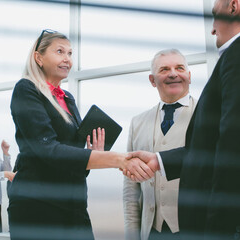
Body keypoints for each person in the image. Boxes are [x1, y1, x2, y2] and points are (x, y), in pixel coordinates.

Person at [126, 0, 240, 239]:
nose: (212, 28)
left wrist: (221, 230)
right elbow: (223, 144)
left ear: (233, 6)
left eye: (215, 15)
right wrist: (160, 160)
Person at [8, 29, 152, 240]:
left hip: (73, 204)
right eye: (59, 51)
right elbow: (48, 150)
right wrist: (116, 159)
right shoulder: (26, 89)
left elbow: (70, 162)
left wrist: (93, 153)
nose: (67, 59)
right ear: (38, 57)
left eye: (70, 53)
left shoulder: (68, 97)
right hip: (38, 205)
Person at [123, 49, 197, 240]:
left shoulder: (207, 117)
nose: (173, 73)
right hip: (152, 232)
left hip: (196, 229)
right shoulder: (137, 123)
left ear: (189, 76)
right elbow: (131, 191)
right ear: (152, 80)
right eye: (164, 69)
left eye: (179, 68)